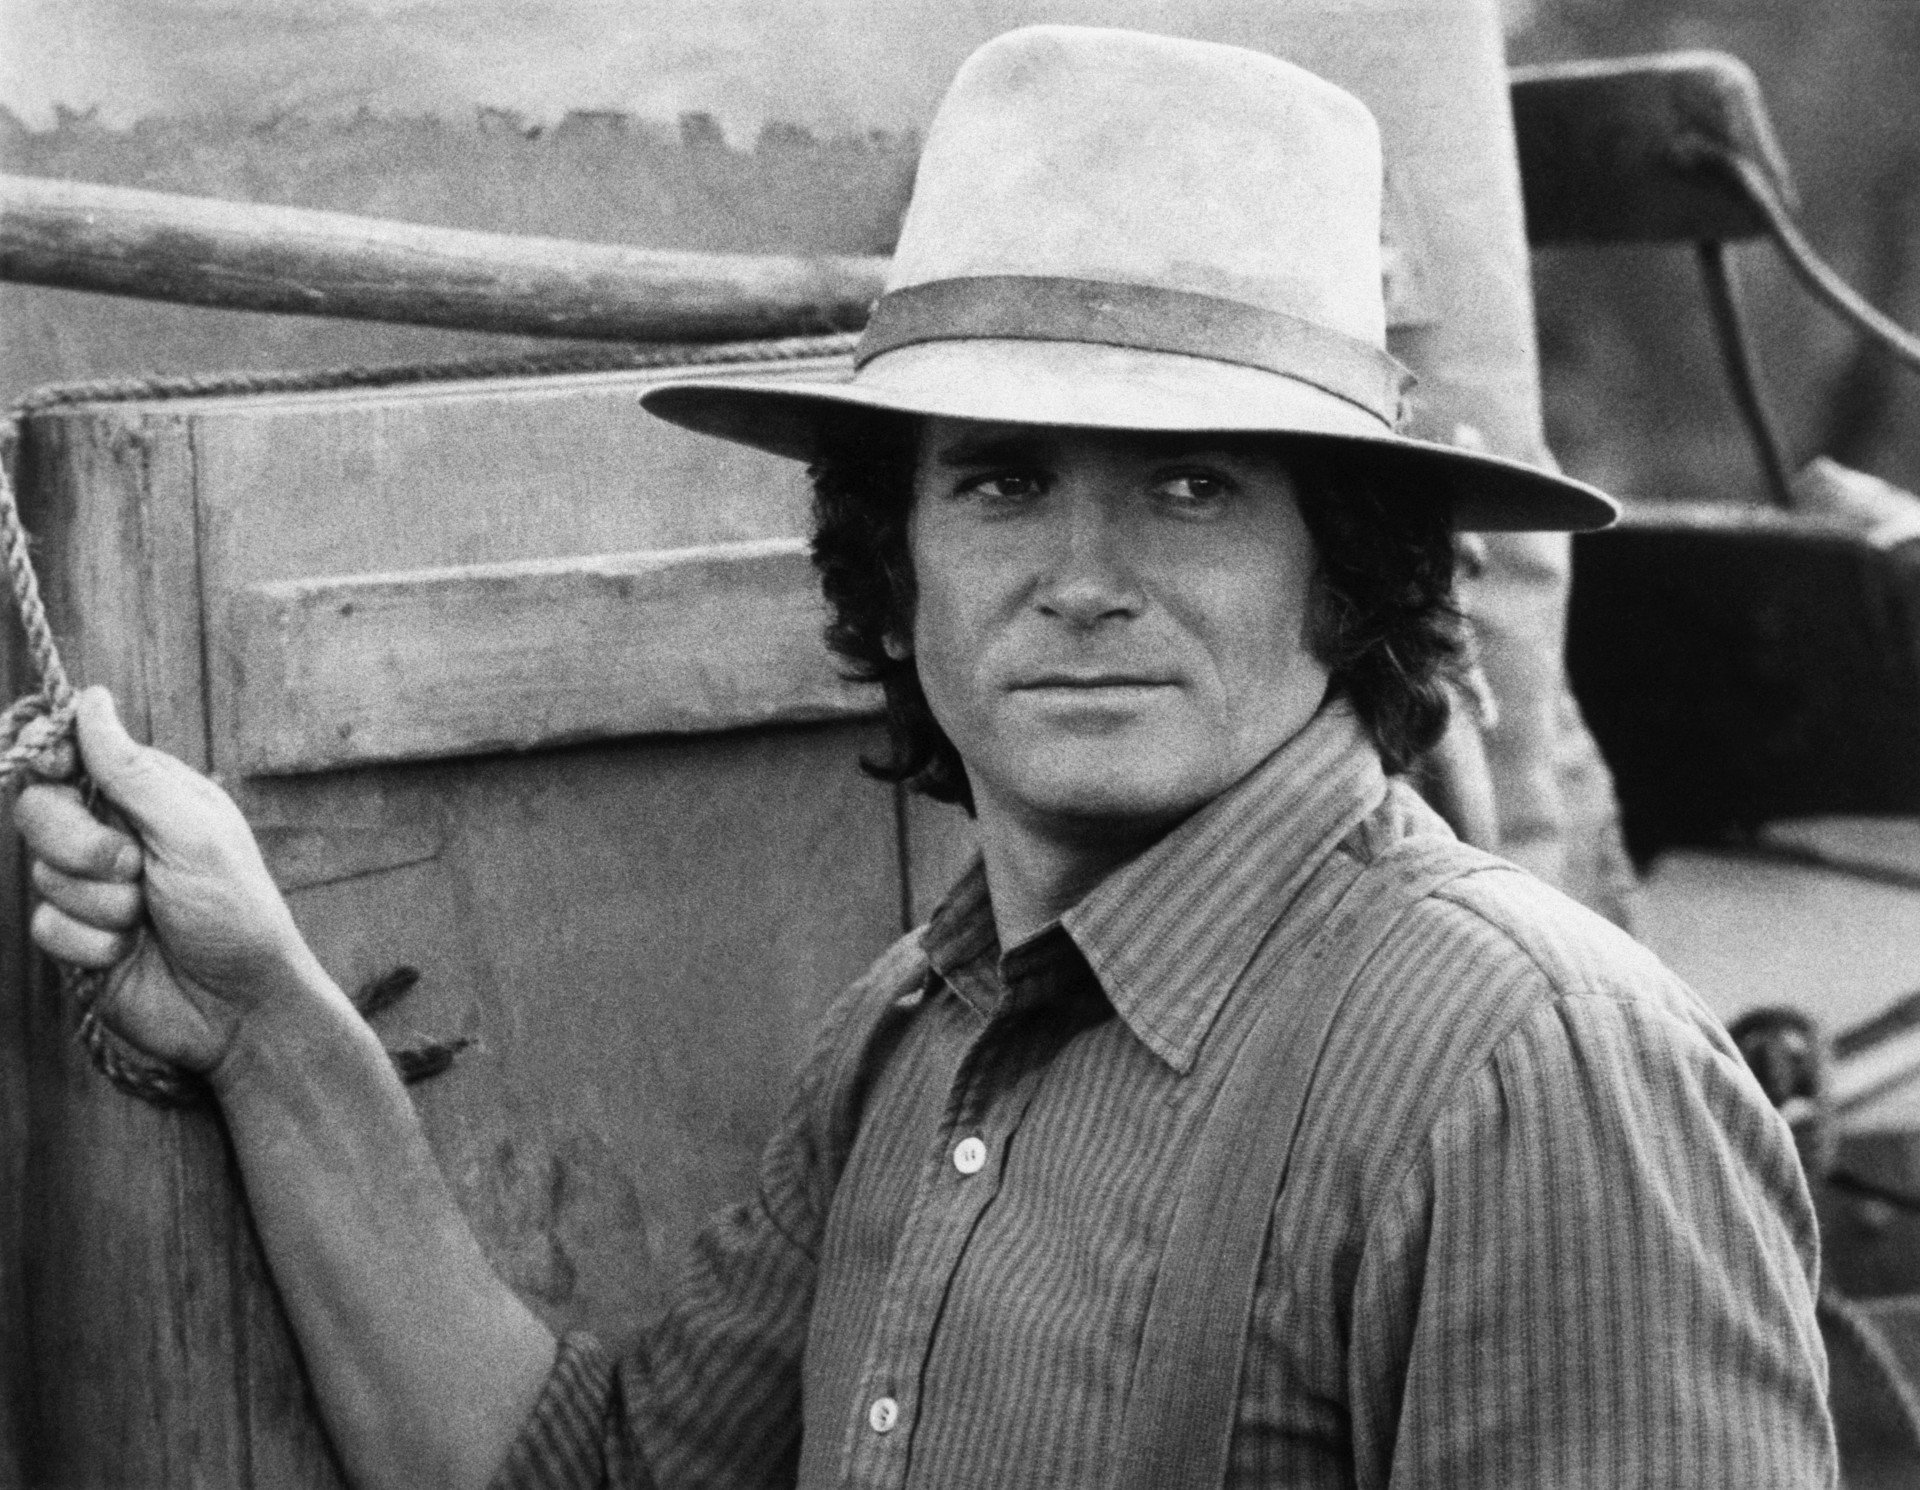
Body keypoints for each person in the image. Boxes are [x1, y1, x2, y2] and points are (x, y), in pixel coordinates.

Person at [14, 25, 1835, 1490]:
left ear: (1342, 561)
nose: (1085, 580)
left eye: (1192, 487)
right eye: (1000, 481)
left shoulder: (1527, 1079)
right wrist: (266, 1020)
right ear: (897, 567)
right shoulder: (916, 1032)